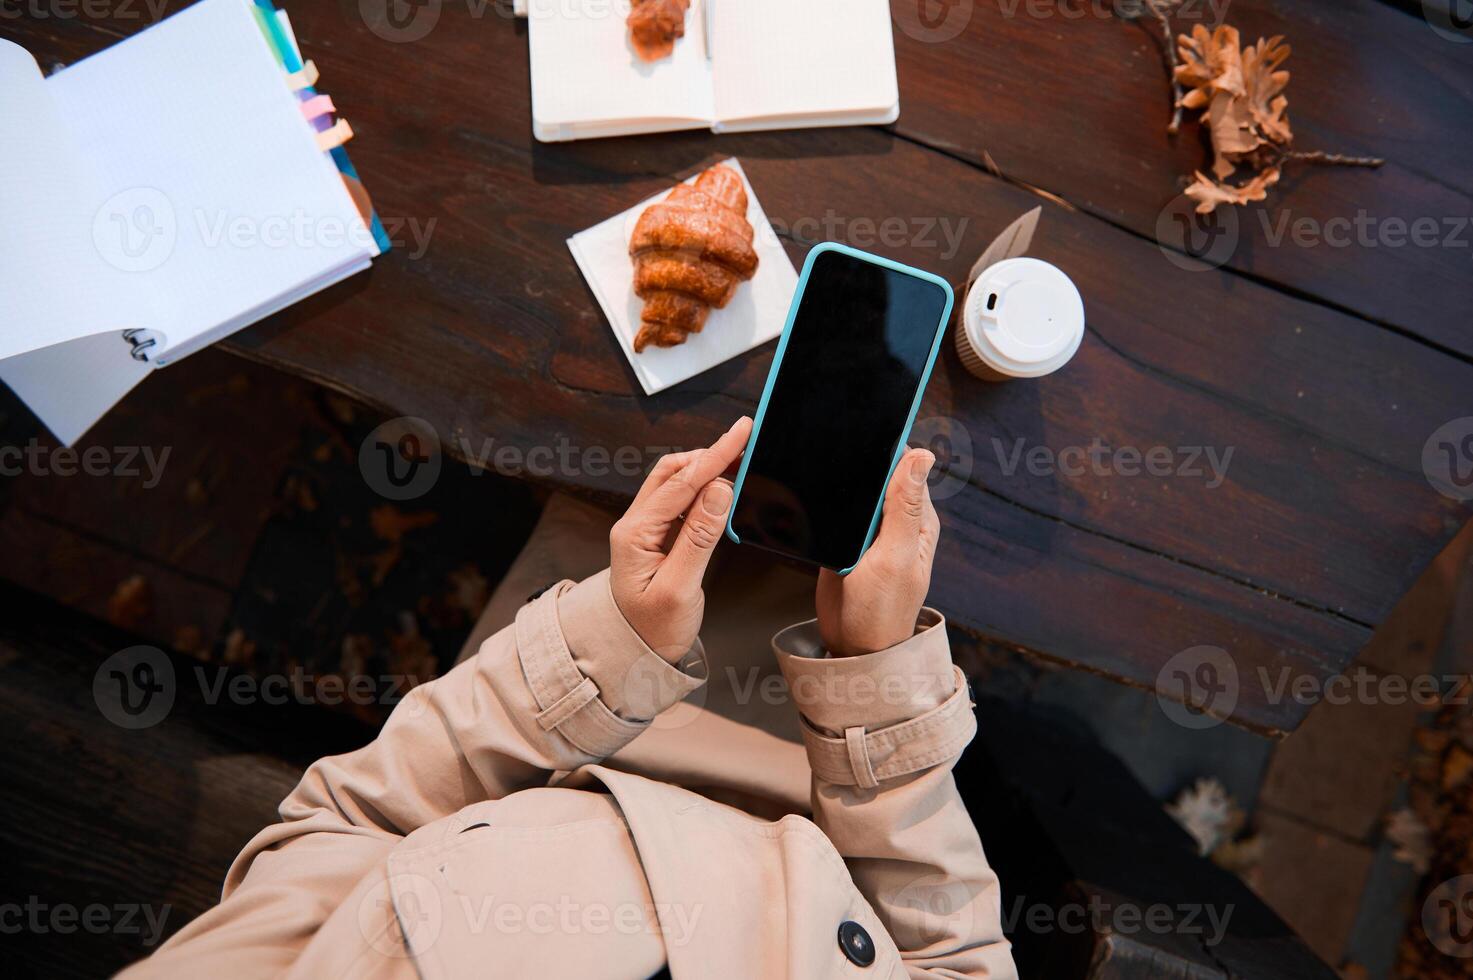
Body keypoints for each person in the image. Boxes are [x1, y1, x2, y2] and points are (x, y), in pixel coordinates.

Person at [122, 417, 1016, 979]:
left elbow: (346, 822)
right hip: (856, 811)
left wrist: (606, 650)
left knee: (619, 467)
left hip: (554, 733)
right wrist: (875, 674)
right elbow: (956, 959)